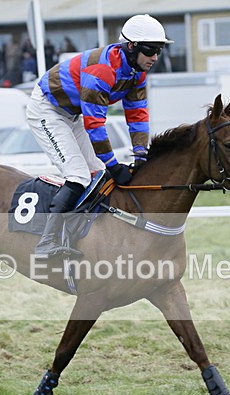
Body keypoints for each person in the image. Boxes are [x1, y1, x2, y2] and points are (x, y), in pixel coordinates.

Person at [27, 14, 172, 257]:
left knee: (97, 174)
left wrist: (140, 154)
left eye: (159, 50)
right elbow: (95, 125)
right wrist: (114, 165)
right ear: (131, 46)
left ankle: (81, 232)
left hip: (72, 114)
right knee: (78, 175)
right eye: (150, 50)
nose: (155, 57)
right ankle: (46, 242)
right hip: (47, 110)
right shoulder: (102, 71)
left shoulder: (137, 72)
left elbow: (137, 114)